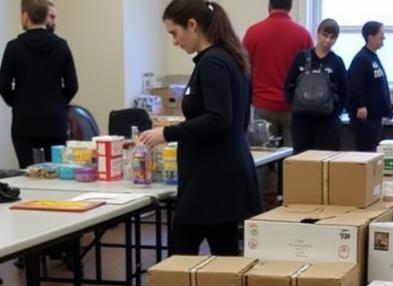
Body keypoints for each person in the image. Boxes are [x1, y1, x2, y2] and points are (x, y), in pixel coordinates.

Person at [139, 0, 261, 257]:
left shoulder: (213, 63)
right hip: (222, 171)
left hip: (212, 178)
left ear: (192, 25)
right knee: (224, 255)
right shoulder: (228, 58)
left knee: (181, 257)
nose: (174, 41)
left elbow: (218, 118)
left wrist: (166, 133)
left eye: (175, 33)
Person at [0, 0, 78, 167]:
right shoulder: (61, 46)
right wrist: (59, 103)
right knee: (57, 171)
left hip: (24, 122)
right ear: (45, 16)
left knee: (27, 173)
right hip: (55, 122)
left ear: (25, 16)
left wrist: (17, 101)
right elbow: (72, 85)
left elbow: (3, 86)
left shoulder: (13, 47)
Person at [242, 0, 313, 147]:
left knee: (263, 159)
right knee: (292, 161)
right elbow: (309, 73)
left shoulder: (253, 32)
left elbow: (243, 69)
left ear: (269, 7)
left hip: (262, 105)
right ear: (290, 7)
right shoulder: (303, 35)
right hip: (292, 106)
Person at [284, 19, 349, 153]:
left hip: (328, 122)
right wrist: (296, 104)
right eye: (325, 35)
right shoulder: (301, 57)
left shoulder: (337, 62)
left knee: (326, 161)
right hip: (302, 121)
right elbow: (289, 85)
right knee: (302, 161)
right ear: (318, 33)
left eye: (332, 38)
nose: (327, 41)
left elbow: (345, 92)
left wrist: (334, 112)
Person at [348, 22, 393, 153]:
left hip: (375, 117)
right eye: (381, 35)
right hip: (365, 118)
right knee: (366, 151)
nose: (383, 38)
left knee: (375, 151)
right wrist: (360, 105)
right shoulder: (361, 59)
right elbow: (355, 84)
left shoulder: (372, 57)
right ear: (370, 37)